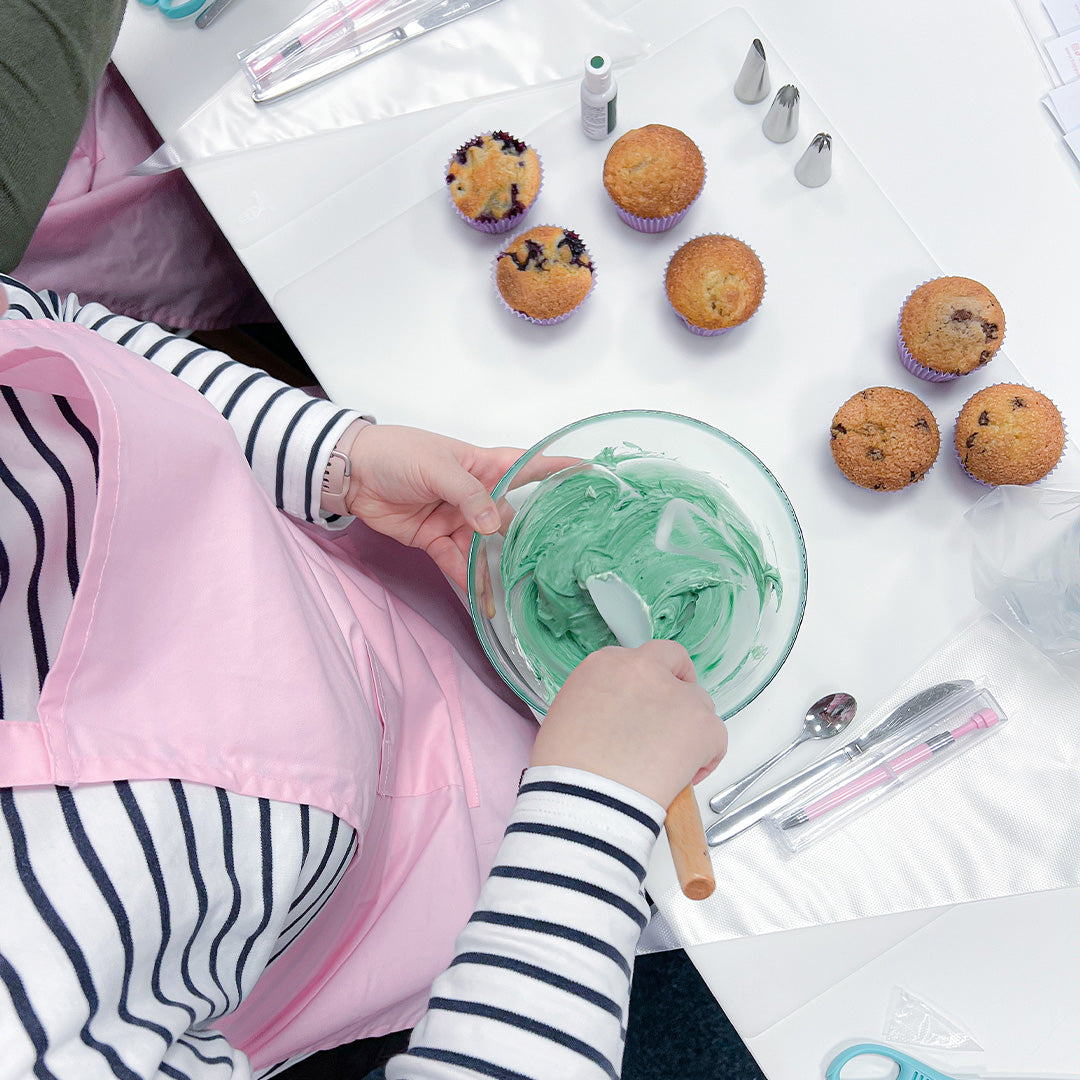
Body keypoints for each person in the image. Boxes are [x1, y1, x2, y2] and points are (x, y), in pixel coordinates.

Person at [0, 274, 728, 1079]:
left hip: (346, 567)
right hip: (432, 898)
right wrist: (590, 813)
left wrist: (334, 461)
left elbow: (44, 328)